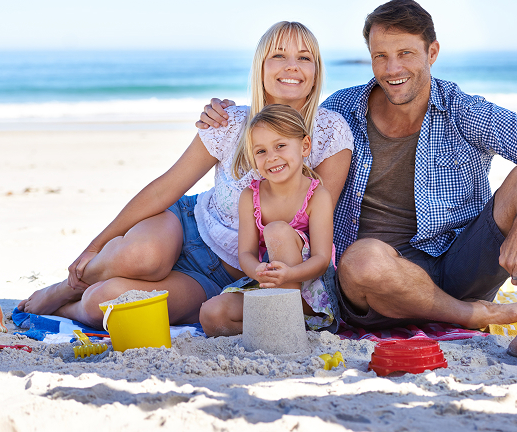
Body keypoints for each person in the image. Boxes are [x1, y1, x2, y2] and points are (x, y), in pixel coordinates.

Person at [197, 0, 517, 364]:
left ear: (432, 53)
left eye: (405, 54)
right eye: (380, 56)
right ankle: (470, 315)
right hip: (378, 280)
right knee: (363, 260)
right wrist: (232, 116)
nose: (392, 69)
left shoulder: (461, 109)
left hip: (461, 262)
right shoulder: (342, 112)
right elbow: (288, 138)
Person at [18, 21, 353, 328]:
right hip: (187, 224)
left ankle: (70, 307)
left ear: (316, 70)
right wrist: (94, 246)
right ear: (261, 68)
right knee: (142, 255)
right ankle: (66, 287)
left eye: (304, 57)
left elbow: (309, 223)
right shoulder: (229, 121)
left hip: (228, 273)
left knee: (102, 303)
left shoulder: (329, 133)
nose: (292, 65)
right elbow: (167, 186)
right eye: (278, 55)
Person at [199, 104, 336, 336]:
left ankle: (287, 324)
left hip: (310, 295)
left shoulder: (317, 195)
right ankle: (275, 331)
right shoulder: (250, 196)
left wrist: (290, 275)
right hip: (271, 283)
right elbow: (246, 254)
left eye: (280, 146)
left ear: (304, 146)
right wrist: (258, 271)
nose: (271, 158)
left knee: (277, 231)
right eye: (261, 151)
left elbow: (322, 260)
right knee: (211, 314)